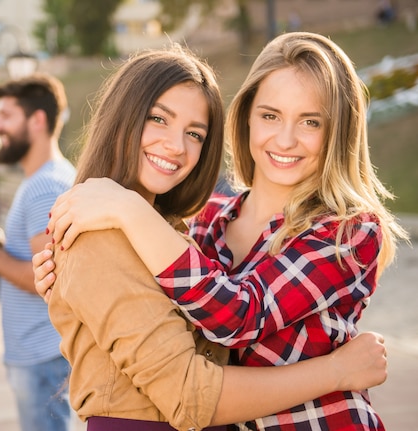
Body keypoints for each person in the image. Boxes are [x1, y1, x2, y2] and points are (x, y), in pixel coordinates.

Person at [31, 44, 389, 431]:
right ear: (247, 118)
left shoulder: (346, 231)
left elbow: (241, 316)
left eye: (310, 122)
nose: (285, 140)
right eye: (270, 115)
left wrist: (128, 209)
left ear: (338, 132)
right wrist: (71, 291)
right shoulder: (205, 222)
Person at [0, 73, 74, 431]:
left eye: (6, 115)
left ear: (37, 121)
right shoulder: (48, 179)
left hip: (43, 356)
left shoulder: (44, 186)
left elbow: (49, 279)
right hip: (42, 355)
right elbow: (44, 257)